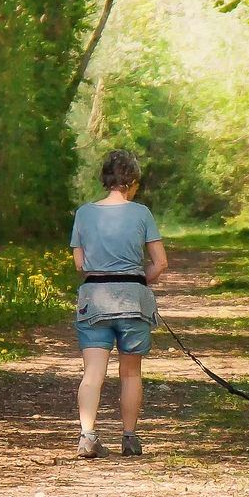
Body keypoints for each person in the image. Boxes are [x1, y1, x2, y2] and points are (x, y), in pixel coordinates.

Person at [70, 150, 168, 458]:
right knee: (131, 373)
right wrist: (137, 280)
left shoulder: (84, 213)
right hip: (132, 300)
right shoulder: (142, 213)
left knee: (92, 373)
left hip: (94, 299)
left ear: (106, 178)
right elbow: (160, 262)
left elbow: (80, 263)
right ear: (133, 181)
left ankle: (87, 435)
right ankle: (129, 437)